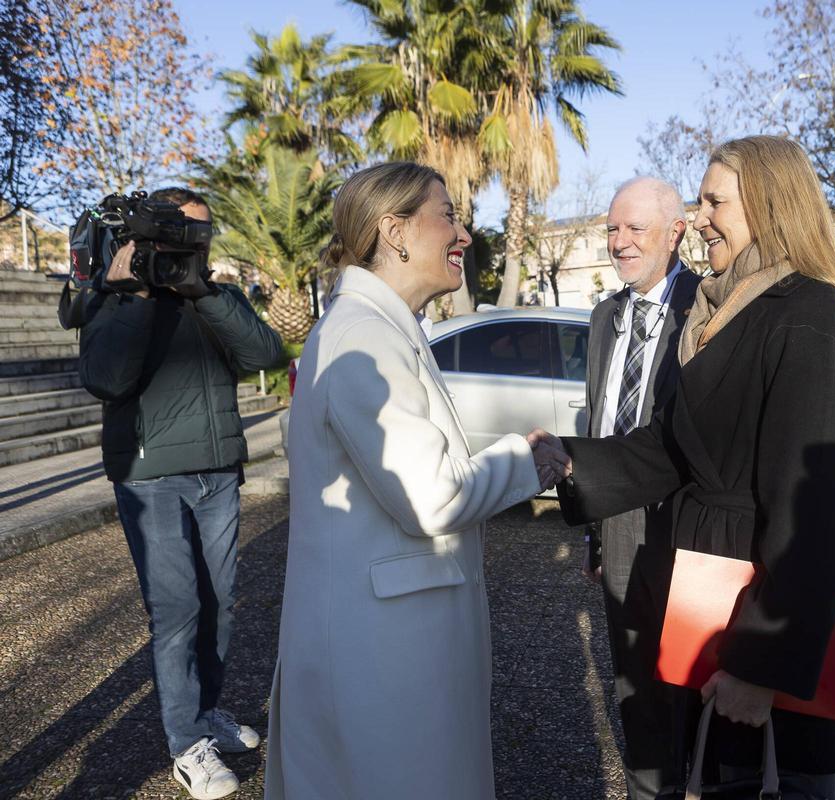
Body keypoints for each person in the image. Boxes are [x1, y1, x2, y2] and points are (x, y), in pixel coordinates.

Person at [548, 136, 835, 798]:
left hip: (761, 625)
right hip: (716, 598)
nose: (699, 219)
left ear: (769, 207)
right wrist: (567, 462)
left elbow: (819, 522)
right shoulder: (735, 312)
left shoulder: (807, 320)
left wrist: (763, 665)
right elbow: (672, 448)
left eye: (713, 202)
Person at [265, 161, 568, 800]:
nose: (463, 233)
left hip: (391, 646)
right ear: (395, 231)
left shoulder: (383, 329)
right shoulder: (364, 336)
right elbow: (431, 498)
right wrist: (526, 460)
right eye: (448, 214)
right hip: (381, 659)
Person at [78, 187, 283, 800]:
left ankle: (205, 713)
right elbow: (107, 378)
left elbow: (265, 354)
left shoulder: (217, 294)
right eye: (184, 231)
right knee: (176, 612)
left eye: (204, 230)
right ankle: (186, 746)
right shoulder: (111, 296)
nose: (196, 241)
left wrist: (204, 292)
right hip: (149, 476)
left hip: (217, 467)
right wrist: (137, 294)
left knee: (219, 602)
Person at [583, 176, 702, 800]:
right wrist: (595, 535)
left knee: (692, 682)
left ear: (675, 230)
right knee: (635, 683)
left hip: (686, 525)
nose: (619, 242)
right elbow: (600, 422)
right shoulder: (605, 316)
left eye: (634, 228)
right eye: (611, 228)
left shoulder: (705, 308)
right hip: (619, 523)